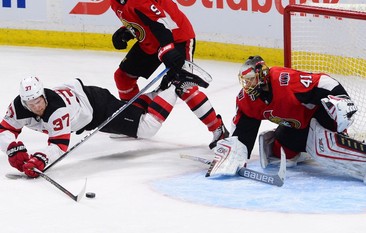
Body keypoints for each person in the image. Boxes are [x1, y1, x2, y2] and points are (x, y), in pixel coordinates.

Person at [0, 72, 212, 178]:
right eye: (30, 103)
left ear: (43, 95)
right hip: (88, 109)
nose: (35, 106)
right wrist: (11, 148)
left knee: (146, 128)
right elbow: (4, 129)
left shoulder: (57, 110)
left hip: (97, 106)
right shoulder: (19, 107)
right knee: (133, 114)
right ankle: (162, 89)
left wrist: (40, 160)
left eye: (38, 101)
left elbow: (59, 145)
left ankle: (174, 86)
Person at [108, 0, 228, 144]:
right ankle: (130, 121)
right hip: (150, 41)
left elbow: (163, 25)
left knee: (183, 85)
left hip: (177, 37)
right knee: (122, 76)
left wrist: (167, 50)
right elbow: (143, 20)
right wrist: (127, 32)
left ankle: (218, 129)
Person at [206, 56, 366, 184]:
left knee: (324, 148)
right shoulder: (247, 100)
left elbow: (322, 81)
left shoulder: (285, 80)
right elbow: (243, 130)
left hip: (319, 115)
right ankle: (307, 146)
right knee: (278, 153)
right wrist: (234, 154)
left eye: (251, 79)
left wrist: (341, 97)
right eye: (246, 81)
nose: (248, 85)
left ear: (262, 75)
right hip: (297, 125)